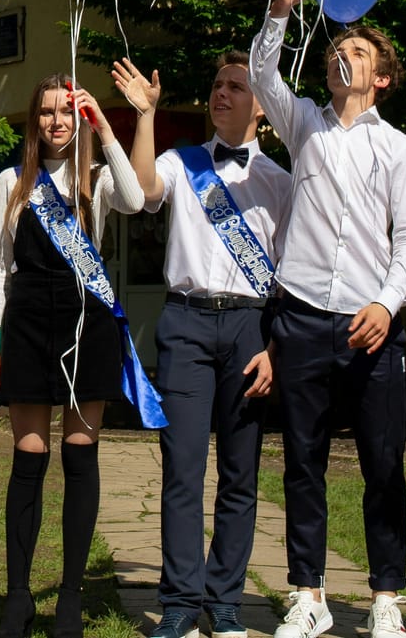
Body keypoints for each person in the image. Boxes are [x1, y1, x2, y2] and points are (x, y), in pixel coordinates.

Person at [255, 0, 406, 638]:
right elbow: (263, 76)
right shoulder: (304, 124)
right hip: (300, 318)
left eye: (356, 52)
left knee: (384, 463)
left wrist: (386, 303)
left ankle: (385, 597)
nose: (340, 57)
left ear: (381, 76)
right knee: (303, 462)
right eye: (335, 50)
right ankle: (309, 594)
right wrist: (280, 11)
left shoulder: (401, 148)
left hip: (370, 322)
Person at [0, 71, 163, 638]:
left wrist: (104, 124)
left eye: (66, 111)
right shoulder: (12, 180)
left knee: (80, 457)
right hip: (28, 322)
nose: (56, 121)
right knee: (29, 458)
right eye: (46, 111)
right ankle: (17, 597)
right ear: (34, 120)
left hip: (88, 323)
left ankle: (69, 597)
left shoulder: (97, 179)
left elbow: (136, 200)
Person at [119, 53, 289, 638]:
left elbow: (294, 273)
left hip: (250, 329)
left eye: (236, 86)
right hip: (186, 323)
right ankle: (180, 601)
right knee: (182, 468)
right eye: (217, 84)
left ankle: (226, 601)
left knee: (241, 473)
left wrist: (276, 347)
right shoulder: (181, 161)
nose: (221, 93)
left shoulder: (281, 182)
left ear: (260, 105)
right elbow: (142, 190)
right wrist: (146, 116)